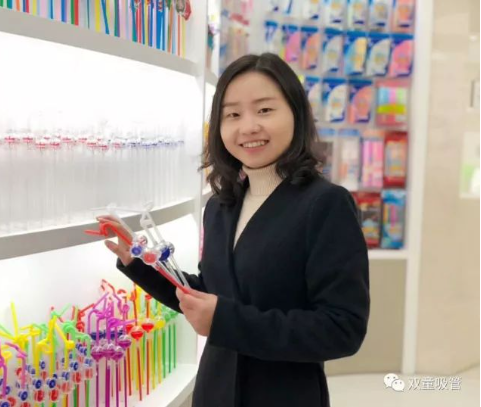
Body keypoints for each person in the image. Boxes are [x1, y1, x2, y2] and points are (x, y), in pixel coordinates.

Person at [99, 53, 370, 407]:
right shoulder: (221, 205)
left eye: (264, 110)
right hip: (215, 391)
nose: (248, 127)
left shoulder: (325, 204)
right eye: (233, 115)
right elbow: (210, 294)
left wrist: (225, 320)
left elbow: (342, 329)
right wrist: (137, 260)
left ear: (296, 113)